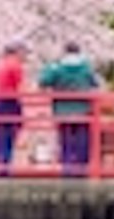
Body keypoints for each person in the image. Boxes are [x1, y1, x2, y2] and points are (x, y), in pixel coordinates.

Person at [43, 42, 102, 176]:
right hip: (83, 110)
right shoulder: (86, 68)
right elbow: (95, 83)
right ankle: (81, 170)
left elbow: (43, 81)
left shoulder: (57, 68)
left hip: (63, 111)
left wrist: (50, 66)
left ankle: (67, 170)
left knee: (66, 142)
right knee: (82, 142)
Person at [0, 42, 28, 175]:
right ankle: (4, 168)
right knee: (8, 137)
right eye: (23, 52)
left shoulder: (1, 65)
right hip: (10, 102)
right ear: (16, 53)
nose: (25, 56)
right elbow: (20, 87)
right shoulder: (15, 66)